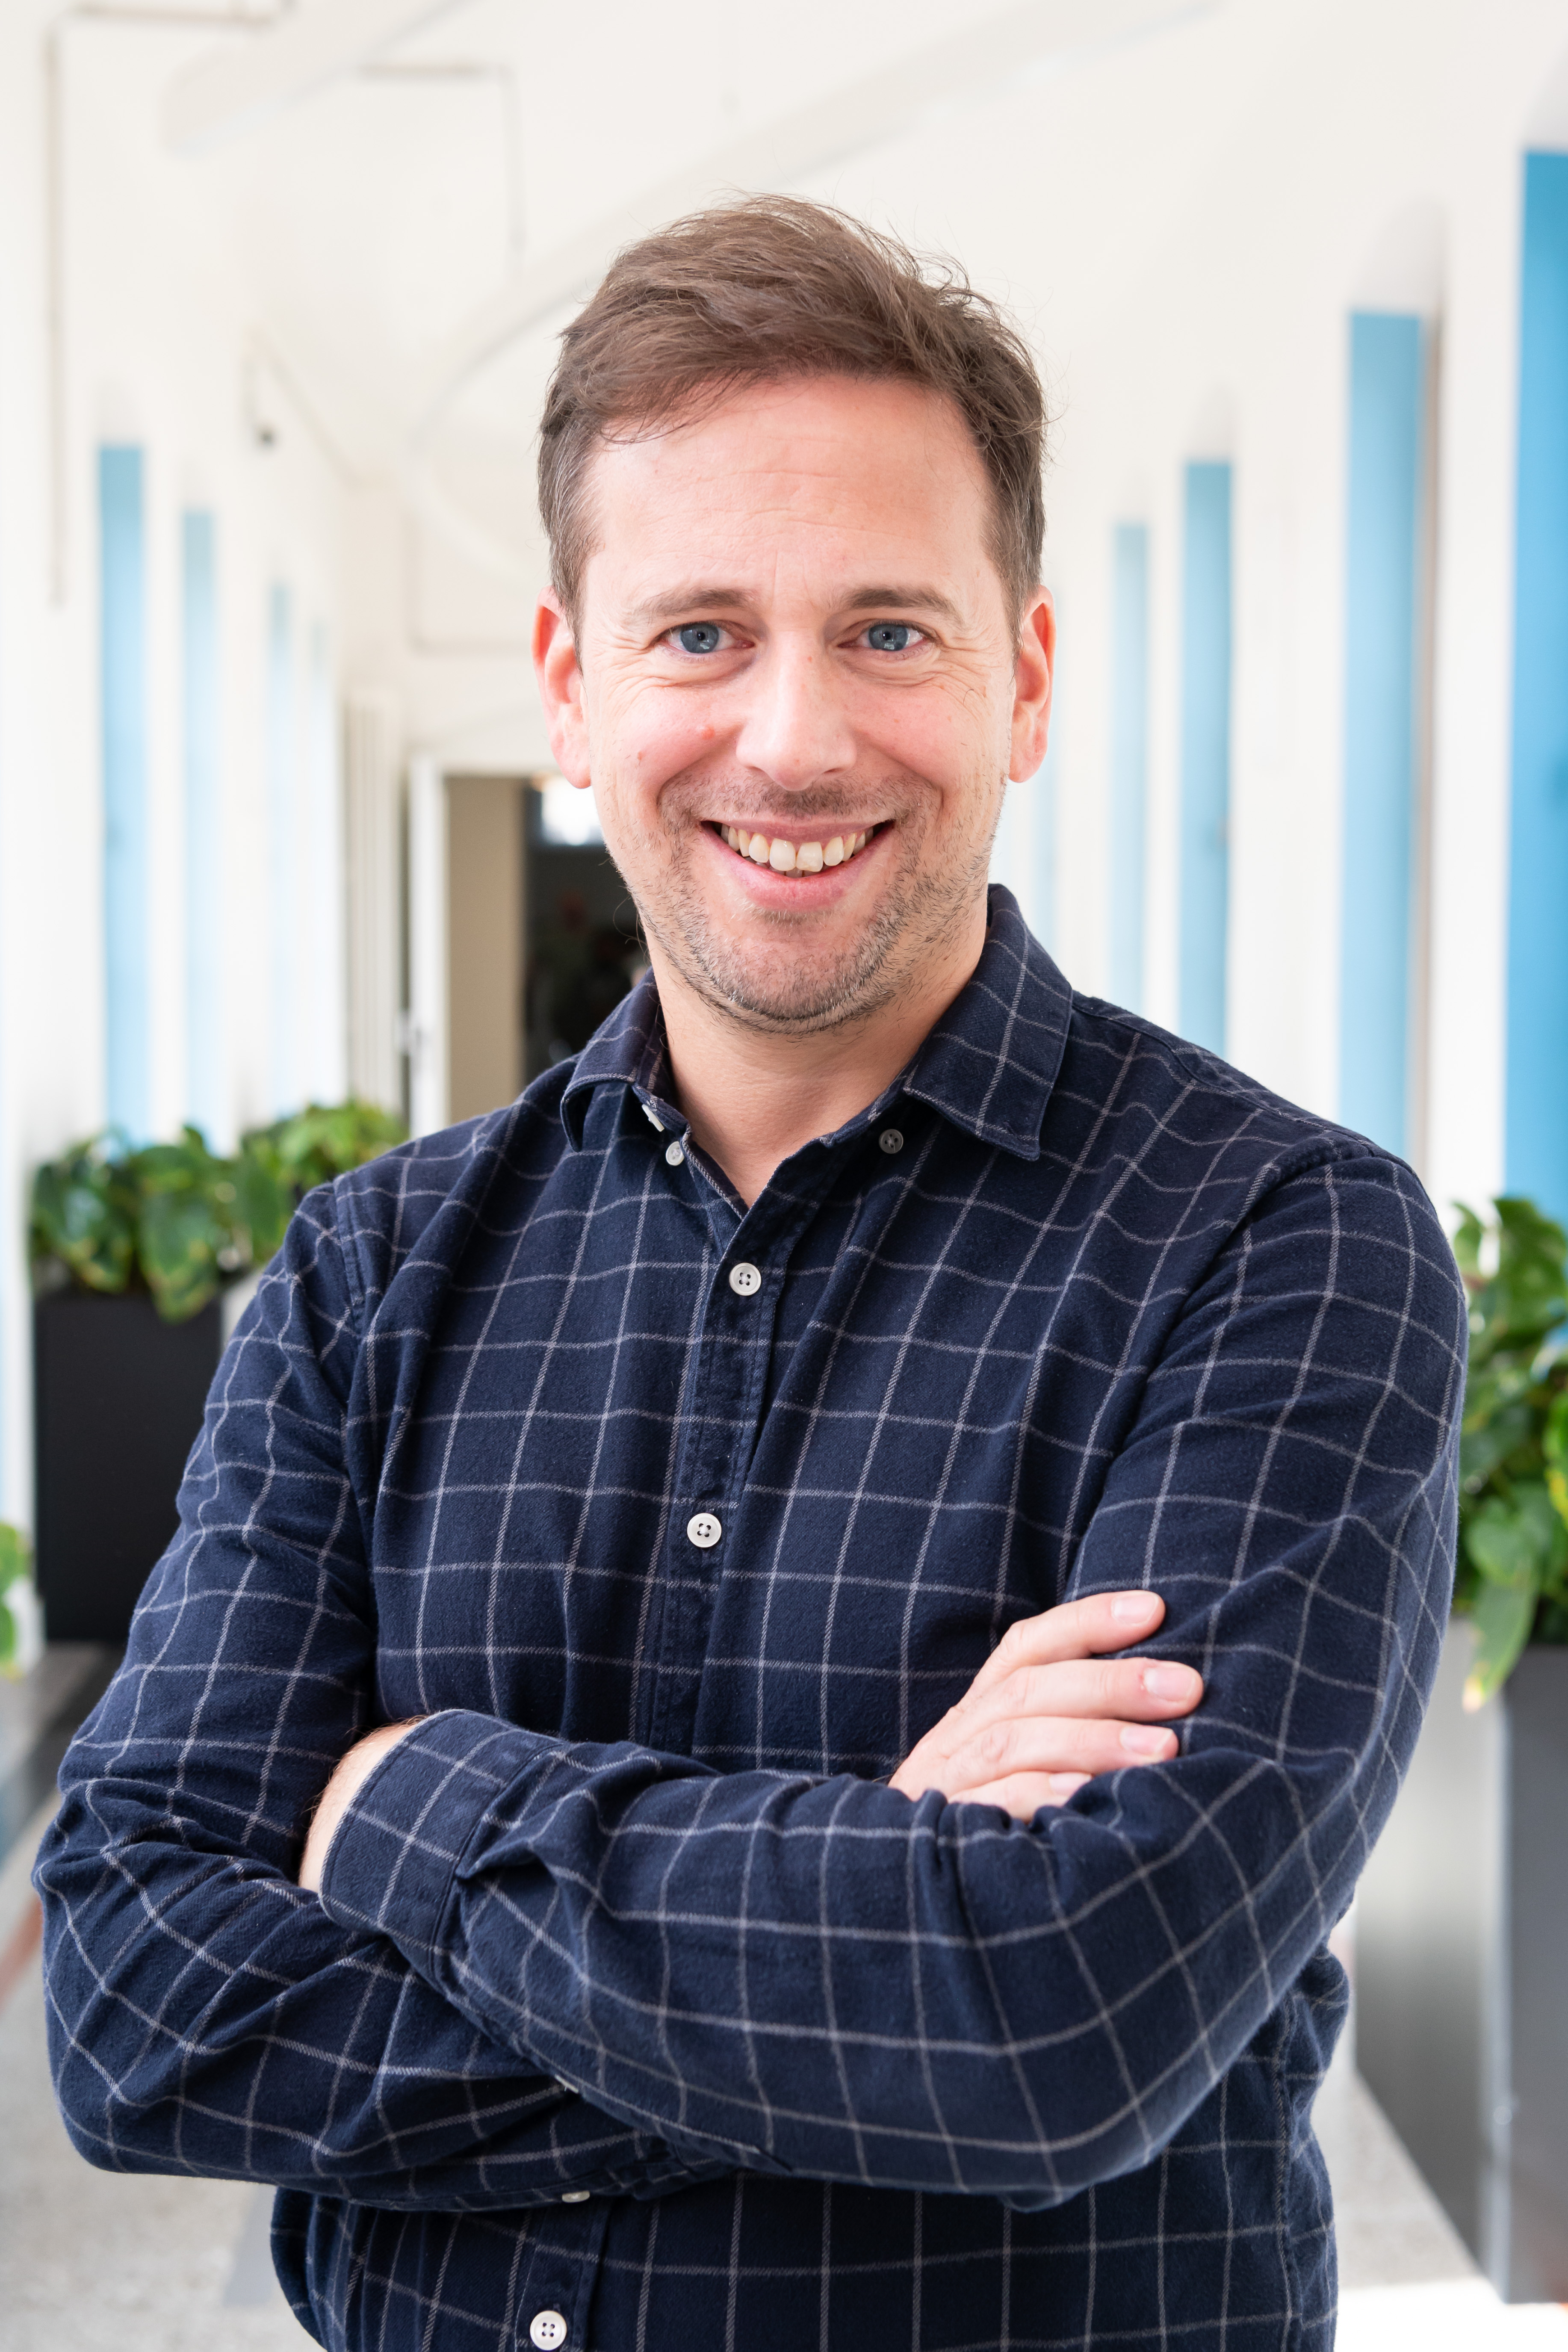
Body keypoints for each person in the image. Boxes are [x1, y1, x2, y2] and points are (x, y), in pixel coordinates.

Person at [36, 198, 1465, 2352]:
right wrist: (870, 1883)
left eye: (888, 630)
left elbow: (1051, 2016)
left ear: (1029, 678)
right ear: (571, 692)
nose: (791, 739)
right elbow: (143, 2003)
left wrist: (397, 1799)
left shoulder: (1279, 1250)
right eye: (698, 631)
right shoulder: (369, 1273)